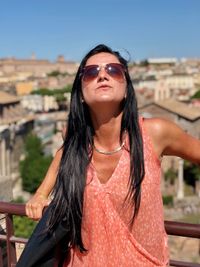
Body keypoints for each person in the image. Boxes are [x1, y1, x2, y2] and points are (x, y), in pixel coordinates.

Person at [22, 44, 200, 266]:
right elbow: (63, 155)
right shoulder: (75, 140)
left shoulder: (155, 133)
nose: (103, 75)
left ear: (126, 88)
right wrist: (41, 193)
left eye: (113, 70)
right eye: (91, 72)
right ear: (81, 94)